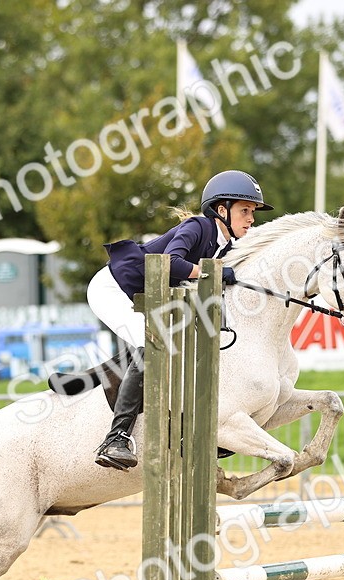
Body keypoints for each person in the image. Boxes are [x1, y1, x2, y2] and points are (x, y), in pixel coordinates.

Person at [87, 170, 272, 470]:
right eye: (245, 211)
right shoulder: (198, 227)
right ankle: (116, 438)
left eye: (252, 212)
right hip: (112, 288)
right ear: (222, 210)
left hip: (150, 297)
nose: (251, 219)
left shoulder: (227, 245)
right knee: (151, 345)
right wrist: (211, 273)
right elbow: (171, 262)